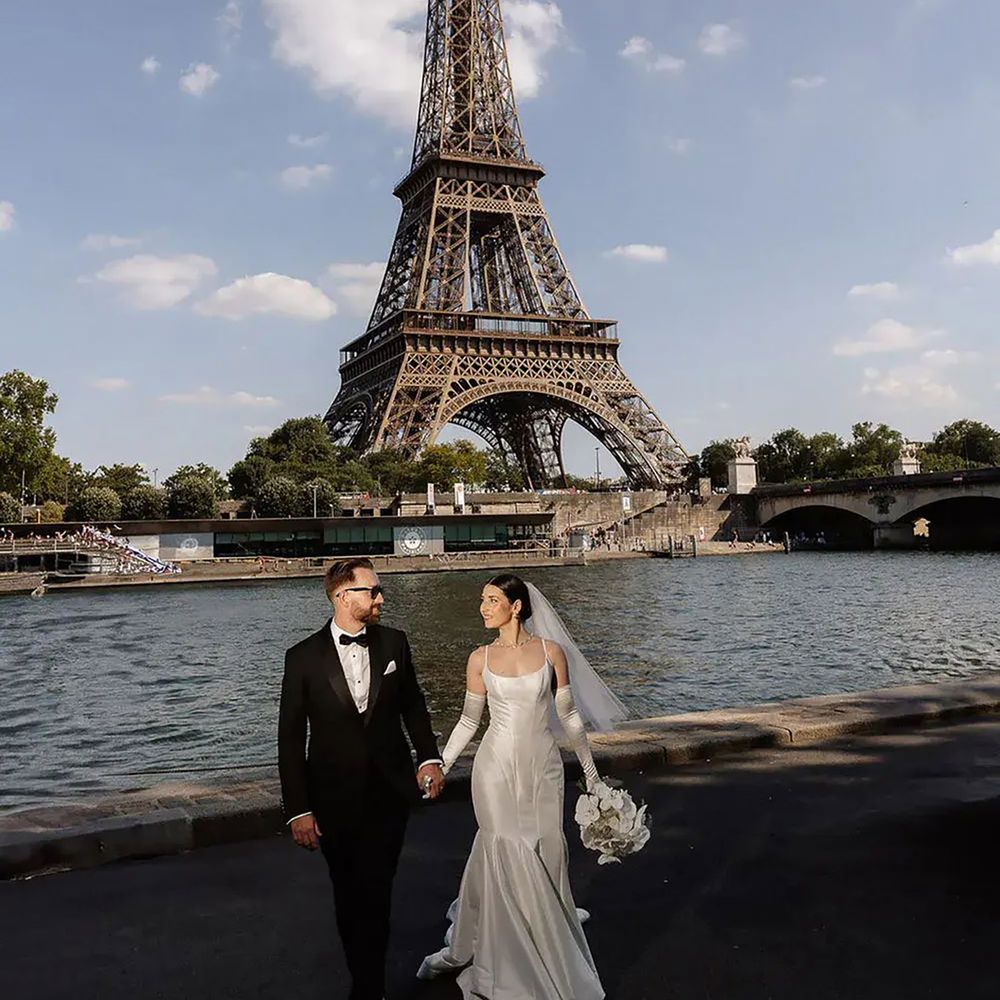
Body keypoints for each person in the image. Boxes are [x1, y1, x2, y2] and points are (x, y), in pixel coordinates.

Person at [417, 573, 628, 1000]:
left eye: (492, 600)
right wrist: (441, 764)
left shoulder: (553, 654)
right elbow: (467, 722)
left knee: (547, 845)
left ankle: (546, 923)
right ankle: (510, 953)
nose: (483, 607)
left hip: (543, 766)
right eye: (483, 600)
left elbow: (570, 719)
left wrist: (590, 774)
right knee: (506, 845)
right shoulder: (479, 658)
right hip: (494, 767)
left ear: (516, 606)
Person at [278, 557, 444, 1000]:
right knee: (349, 894)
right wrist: (298, 808)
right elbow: (291, 740)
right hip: (332, 800)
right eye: (372, 591)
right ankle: (366, 980)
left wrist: (429, 759)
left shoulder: (395, 644)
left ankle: (368, 988)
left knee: (377, 892)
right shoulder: (301, 658)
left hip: (389, 793)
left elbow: (414, 706)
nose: (380, 598)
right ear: (342, 596)